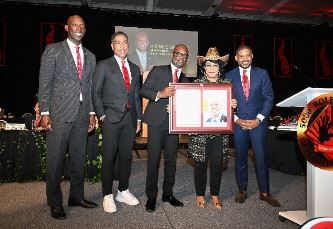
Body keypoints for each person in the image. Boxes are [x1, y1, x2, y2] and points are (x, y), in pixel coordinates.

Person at [38, 15, 97, 220]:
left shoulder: (90, 56)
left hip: (82, 115)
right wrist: (45, 112)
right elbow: (44, 83)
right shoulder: (53, 51)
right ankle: (55, 202)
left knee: (78, 158)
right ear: (66, 28)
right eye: (74, 25)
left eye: (82, 25)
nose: (78, 28)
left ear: (85, 30)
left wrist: (91, 112)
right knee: (55, 161)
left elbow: (88, 86)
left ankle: (76, 197)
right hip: (59, 114)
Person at [91, 31, 142, 214]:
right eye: (118, 43)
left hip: (129, 120)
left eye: (125, 42)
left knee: (127, 158)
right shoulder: (103, 65)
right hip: (110, 119)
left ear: (128, 45)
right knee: (109, 158)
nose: (122, 46)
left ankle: (123, 191)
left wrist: (138, 118)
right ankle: (107, 195)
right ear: (112, 46)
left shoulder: (135, 69)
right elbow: (95, 93)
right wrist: (102, 116)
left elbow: (136, 95)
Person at [225, 45, 281, 207]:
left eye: (247, 55)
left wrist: (258, 119)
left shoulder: (262, 73)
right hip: (238, 124)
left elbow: (269, 97)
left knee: (261, 158)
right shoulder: (229, 76)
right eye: (241, 56)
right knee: (240, 158)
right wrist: (236, 119)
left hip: (259, 124)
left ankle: (265, 192)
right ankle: (242, 190)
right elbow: (226, 101)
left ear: (252, 56)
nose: (245, 59)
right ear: (236, 58)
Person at [141, 44, 191, 212]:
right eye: (178, 54)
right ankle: (151, 197)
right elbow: (143, 90)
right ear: (173, 54)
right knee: (153, 161)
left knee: (171, 161)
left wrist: (179, 109)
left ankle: (167, 194)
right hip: (156, 122)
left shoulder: (185, 79)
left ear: (186, 59)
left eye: (184, 56)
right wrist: (159, 95)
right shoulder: (158, 70)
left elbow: (185, 103)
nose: (181, 57)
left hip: (173, 125)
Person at [188, 47, 236, 209]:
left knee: (217, 164)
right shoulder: (196, 84)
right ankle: (200, 194)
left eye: (215, 65)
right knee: (200, 164)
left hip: (219, 134)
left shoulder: (227, 85)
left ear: (219, 68)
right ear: (204, 68)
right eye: (208, 65)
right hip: (200, 133)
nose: (211, 69)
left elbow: (228, 111)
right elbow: (191, 108)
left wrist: (232, 105)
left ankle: (215, 194)